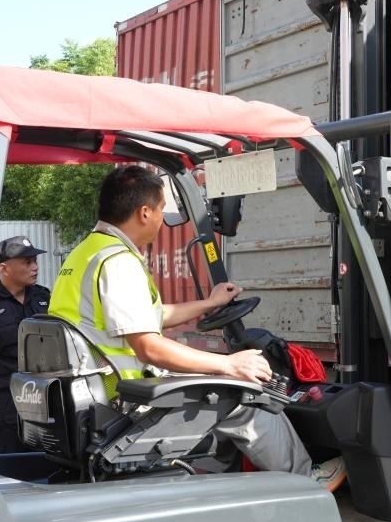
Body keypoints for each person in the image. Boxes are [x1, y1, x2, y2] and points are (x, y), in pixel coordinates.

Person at [49, 165, 345, 490]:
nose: (162, 220)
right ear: (144, 213)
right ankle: (305, 481)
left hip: (102, 394)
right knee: (247, 397)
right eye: (161, 210)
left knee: (221, 394)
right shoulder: (118, 262)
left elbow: (149, 316)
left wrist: (209, 303)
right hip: (126, 399)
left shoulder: (85, 254)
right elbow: (149, 347)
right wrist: (229, 364)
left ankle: (219, 488)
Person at [0, 237, 52, 453]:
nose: (35, 267)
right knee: (4, 461)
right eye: (27, 262)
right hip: (7, 403)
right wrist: (2, 381)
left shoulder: (44, 297)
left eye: (35, 261)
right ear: (4, 268)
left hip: (45, 397)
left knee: (47, 462)